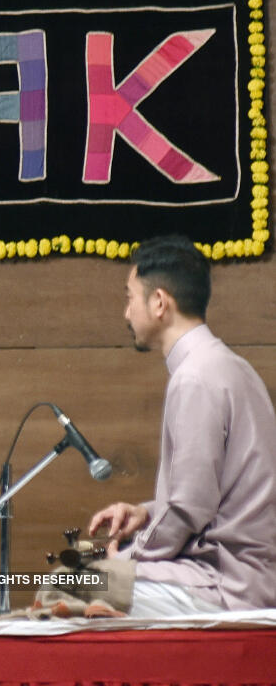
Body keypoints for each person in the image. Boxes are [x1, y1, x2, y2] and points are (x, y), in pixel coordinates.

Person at [86, 235, 276, 615]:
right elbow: (209, 498)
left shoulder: (195, 377)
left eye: (129, 297)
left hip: (228, 584)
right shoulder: (230, 366)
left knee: (76, 583)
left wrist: (127, 557)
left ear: (159, 302)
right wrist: (145, 514)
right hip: (244, 574)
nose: (126, 314)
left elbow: (190, 507)